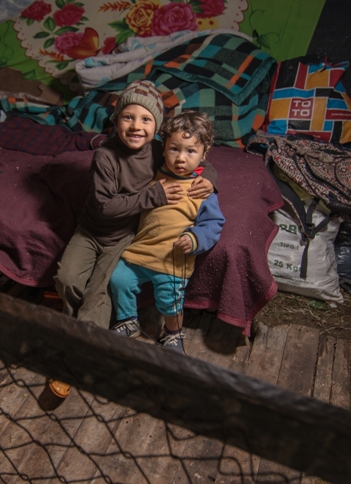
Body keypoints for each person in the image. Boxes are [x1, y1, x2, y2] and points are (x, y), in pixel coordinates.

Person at [53, 80, 217, 330]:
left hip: (124, 235)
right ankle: (77, 322)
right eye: (128, 117)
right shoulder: (105, 156)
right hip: (90, 230)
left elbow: (195, 157)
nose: (136, 127)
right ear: (117, 120)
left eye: (146, 120)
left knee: (98, 292)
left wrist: (211, 181)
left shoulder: (161, 151)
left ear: (157, 126)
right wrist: (154, 195)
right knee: (66, 280)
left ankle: (89, 339)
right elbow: (105, 208)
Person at [108, 111, 225, 353]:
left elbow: (213, 224)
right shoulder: (155, 173)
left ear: (204, 154)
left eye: (190, 151)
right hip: (139, 252)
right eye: (174, 149)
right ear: (164, 149)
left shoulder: (201, 190)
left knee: (170, 302)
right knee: (119, 279)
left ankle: (173, 334)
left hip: (171, 259)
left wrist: (194, 239)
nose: (181, 158)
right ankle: (128, 320)